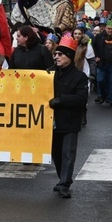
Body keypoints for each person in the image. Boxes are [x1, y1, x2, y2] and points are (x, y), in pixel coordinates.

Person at [49, 36, 88, 198]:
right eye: (55, 54)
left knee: (68, 154)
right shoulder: (50, 74)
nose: (56, 57)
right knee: (56, 155)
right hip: (52, 123)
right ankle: (62, 179)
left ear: (69, 58)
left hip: (70, 121)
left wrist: (61, 100)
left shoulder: (79, 77)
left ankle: (65, 183)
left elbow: (81, 99)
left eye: (60, 54)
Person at [92, 19, 112, 107]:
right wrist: (96, 56)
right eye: (108, 29)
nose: (110, 31)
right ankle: (102, 95)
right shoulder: (99, 37)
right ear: (105, 28)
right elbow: (94, 46)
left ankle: (111, 100)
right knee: (100, 80)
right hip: (102, 63)